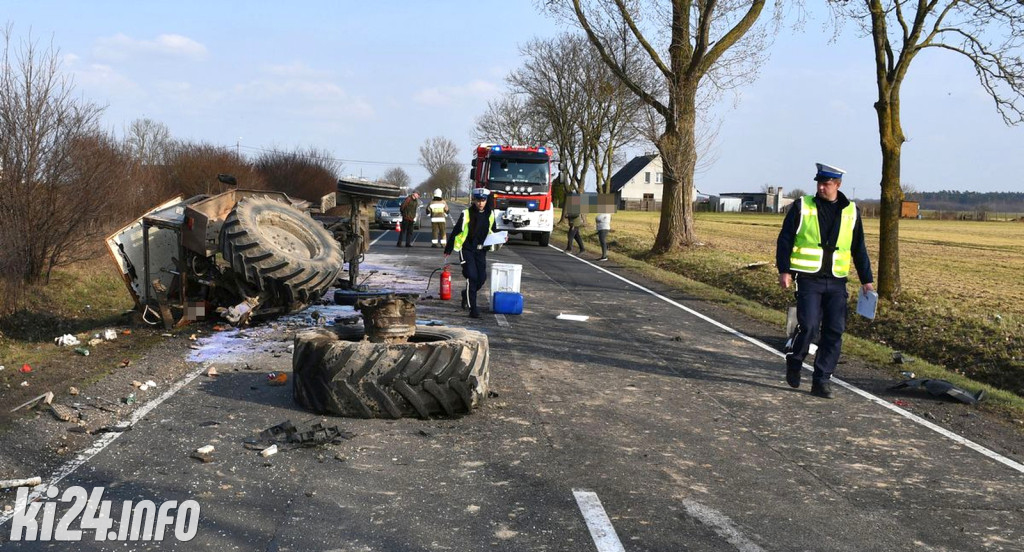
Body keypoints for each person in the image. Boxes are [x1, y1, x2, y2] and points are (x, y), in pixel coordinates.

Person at [776, 162, 874, 399]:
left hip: (837, 280)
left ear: (838, 185)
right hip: (809, 278)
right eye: (819, 183)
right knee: (808, 326)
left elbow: (858, 247)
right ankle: (795, 359)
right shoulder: (802, 206)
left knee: (834, 330)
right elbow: (785, 239)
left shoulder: (852, 211)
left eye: (826, 184)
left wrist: (866, 280)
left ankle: (821, 380)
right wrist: (784, 270)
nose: (821, 187)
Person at [444, 188, 499, 318]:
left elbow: (494, 231)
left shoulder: (490, 214)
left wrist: (502, 238)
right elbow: (456, 231)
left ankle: (466, 294)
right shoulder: (466, 213)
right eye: (478, 200)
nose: (480, 203)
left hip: (481, 251)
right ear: (474, 200)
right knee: (472, 277)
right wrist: (448, 248)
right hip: (467, 249)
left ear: (486, 200)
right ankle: (472, 309)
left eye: (483, 200)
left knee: (481, 278)